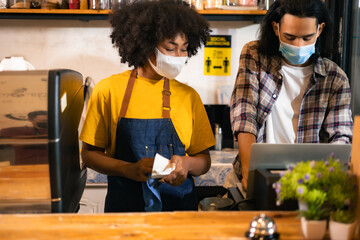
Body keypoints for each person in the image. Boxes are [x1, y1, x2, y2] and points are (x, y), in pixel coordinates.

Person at [80, 0, 215, 212]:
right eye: (170, 48)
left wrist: (187, 165)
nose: (178, 57)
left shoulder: (189, 96)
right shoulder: (108, 90)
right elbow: (88, 154)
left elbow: (204, 161)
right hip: (125, 211)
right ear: (145, 44)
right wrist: (129, 169)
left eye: (184, 49)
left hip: (179, 213)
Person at [228, 0, 353, 190]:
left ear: (320, 29)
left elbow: (341, 138)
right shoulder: (255, 56)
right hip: (257, 174)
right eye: (290, 37)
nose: (298, 45)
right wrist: (249, 173)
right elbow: (245, 115)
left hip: (307, 184)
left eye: (307, 37)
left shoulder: (335, 78)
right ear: (276, 28)